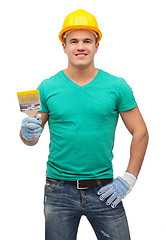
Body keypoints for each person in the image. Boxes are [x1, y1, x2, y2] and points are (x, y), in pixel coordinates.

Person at [20, 9, 149, 240]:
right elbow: (32, 139)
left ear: (97, 45)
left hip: (105, 190)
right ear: (64, 46)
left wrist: (129, 178)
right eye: (74, 41)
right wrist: (26, 132)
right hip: (58, 191)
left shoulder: (117, 86)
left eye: (87, 41)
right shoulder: (47, 87)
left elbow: (140, 132)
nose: (81, 47)